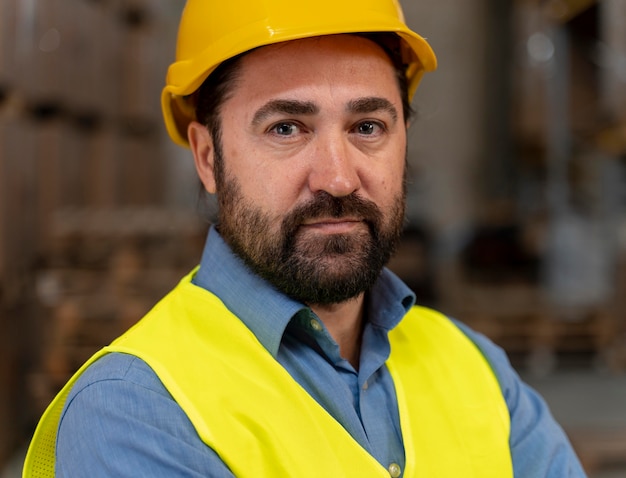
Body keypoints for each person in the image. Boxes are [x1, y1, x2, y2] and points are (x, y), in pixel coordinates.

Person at [24, 0, 587, 476]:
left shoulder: (478, 370)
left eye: (368, 127)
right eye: (286, 128)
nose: (338, 178)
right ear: (208, 157)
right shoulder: (136, 411)